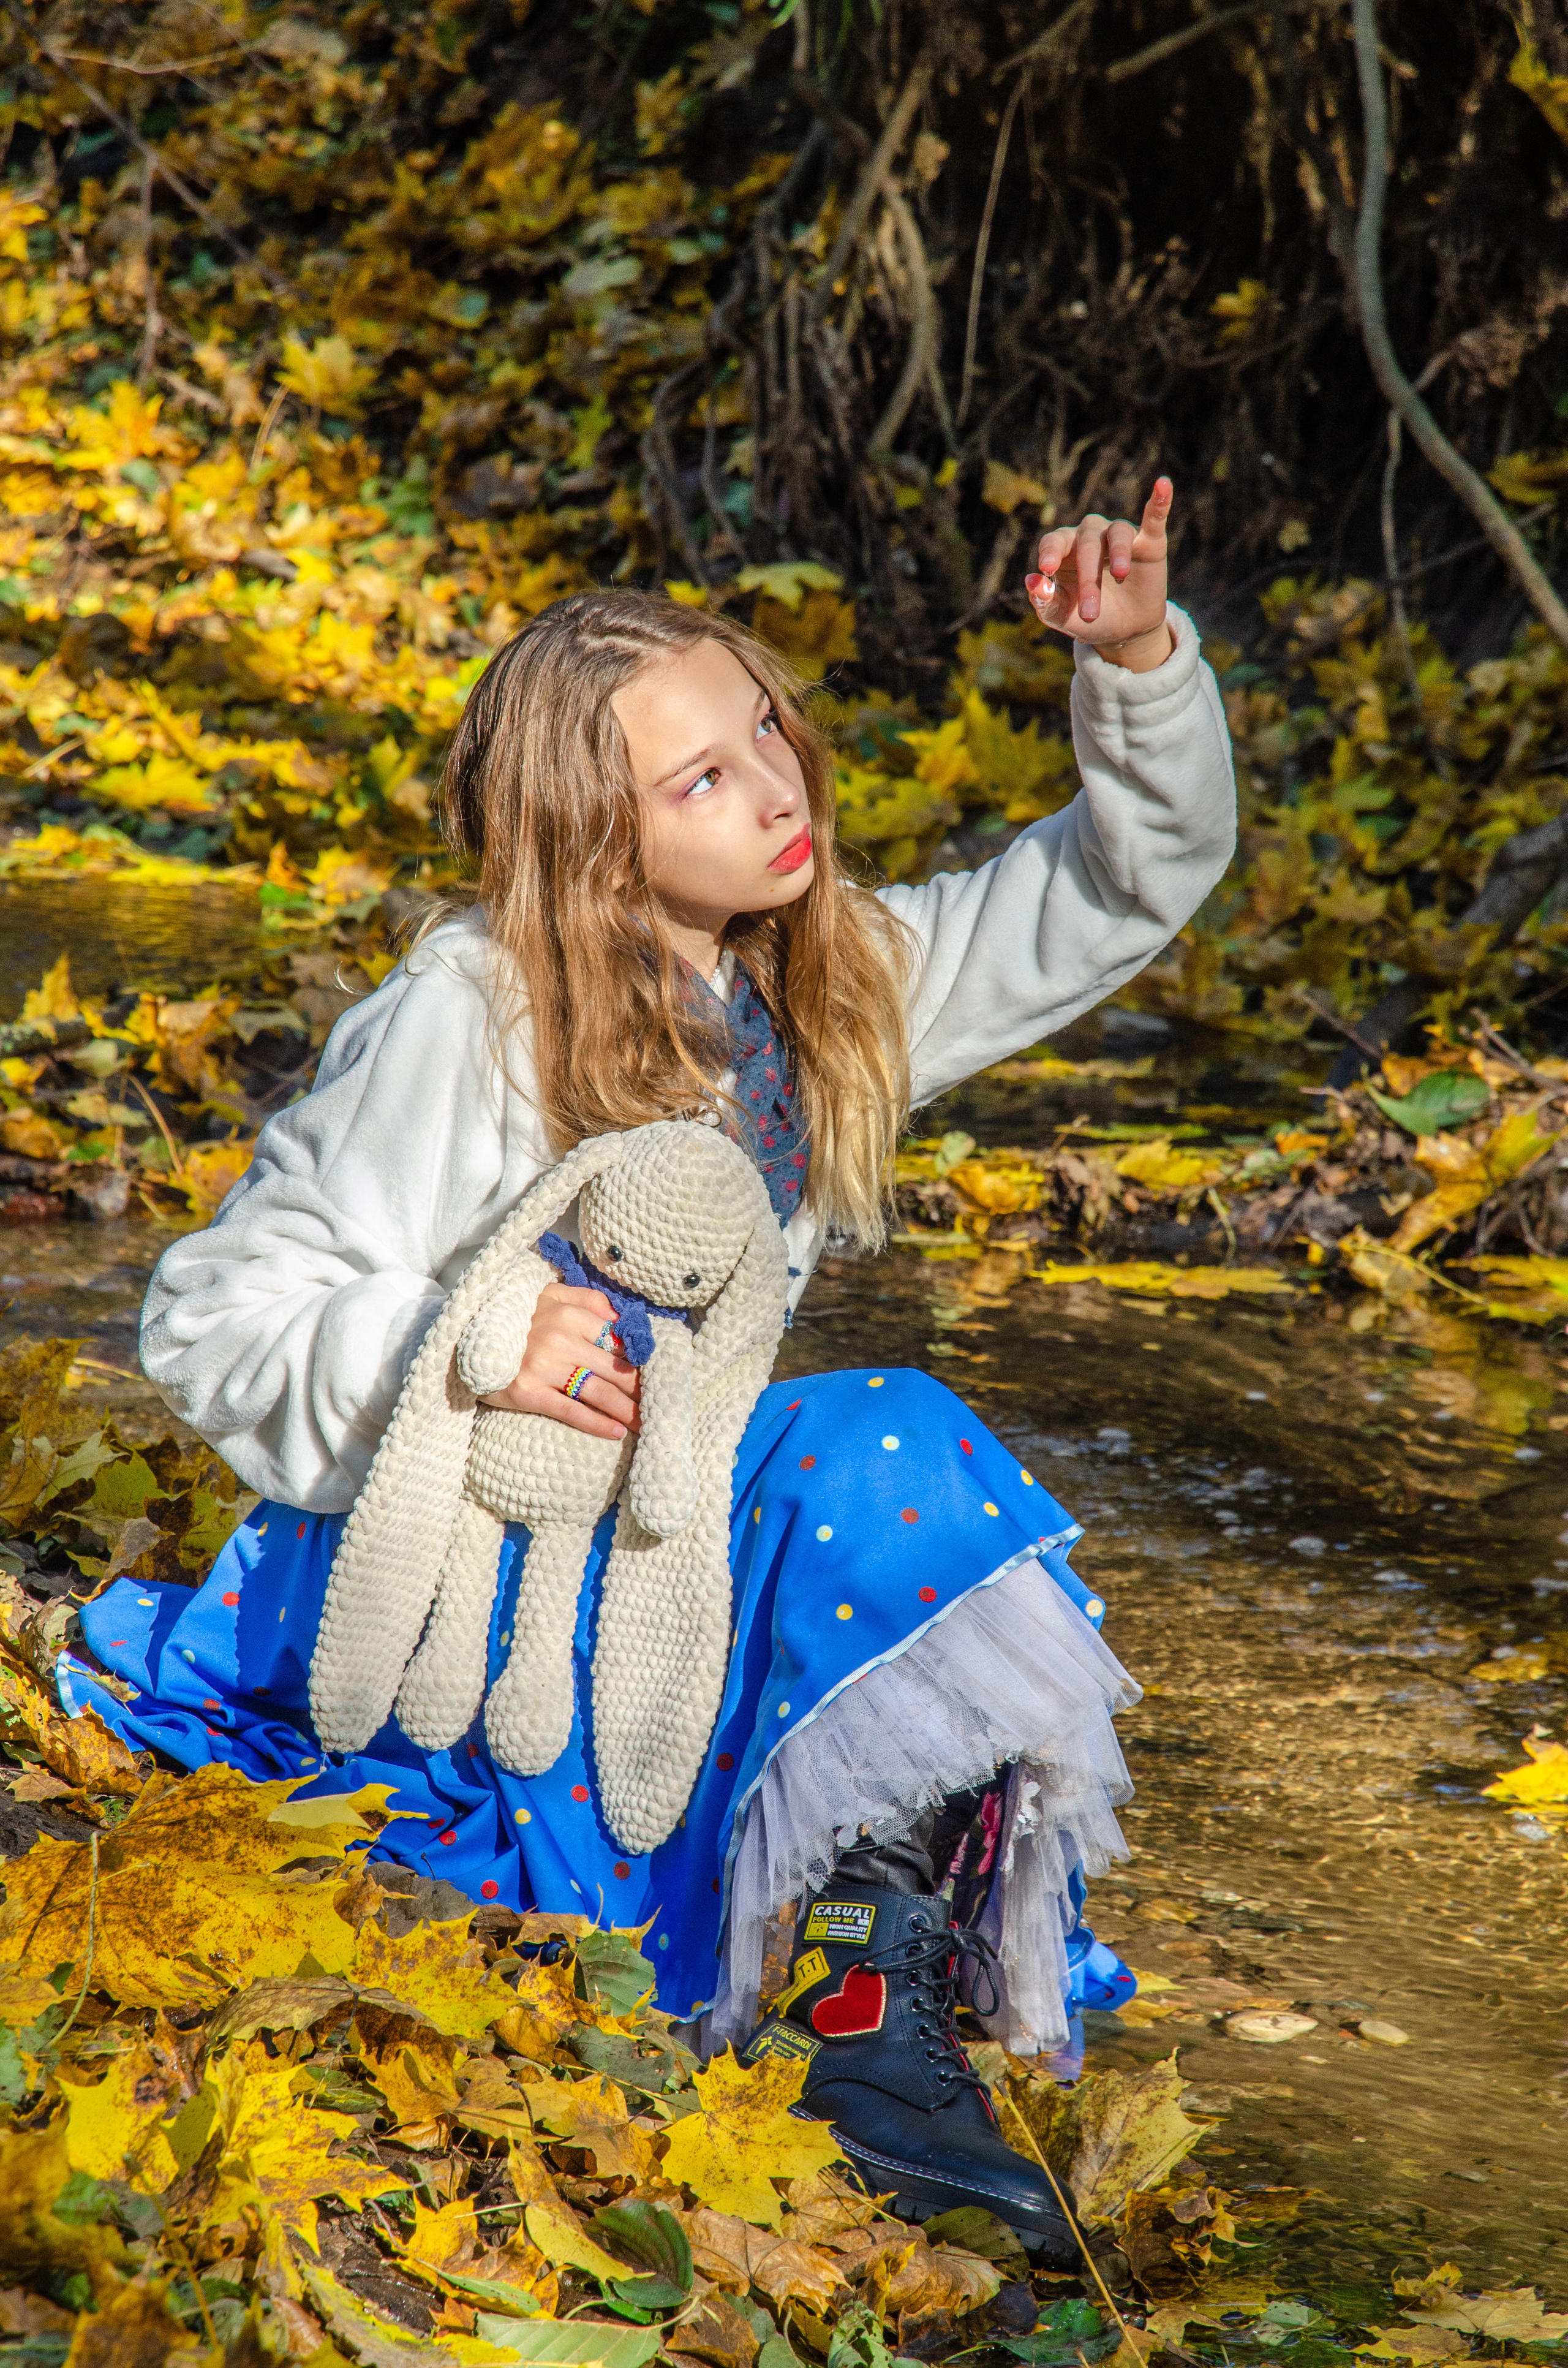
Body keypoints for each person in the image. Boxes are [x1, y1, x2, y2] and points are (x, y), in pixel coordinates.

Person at [62, 480, 1235, 2258]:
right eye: (700, 779)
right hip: (436, 1576)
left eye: (766, 727)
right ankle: (826, 2008)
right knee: (885, 1441)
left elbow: (1121, 889)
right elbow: (208, 1311)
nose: (777, 789)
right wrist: (461, 1344)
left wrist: (1135, 656)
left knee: (880, 1492)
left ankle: (865, 2008)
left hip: (644, 1559)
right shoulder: (472, 1010)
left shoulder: (828, 977)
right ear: (595, 843)